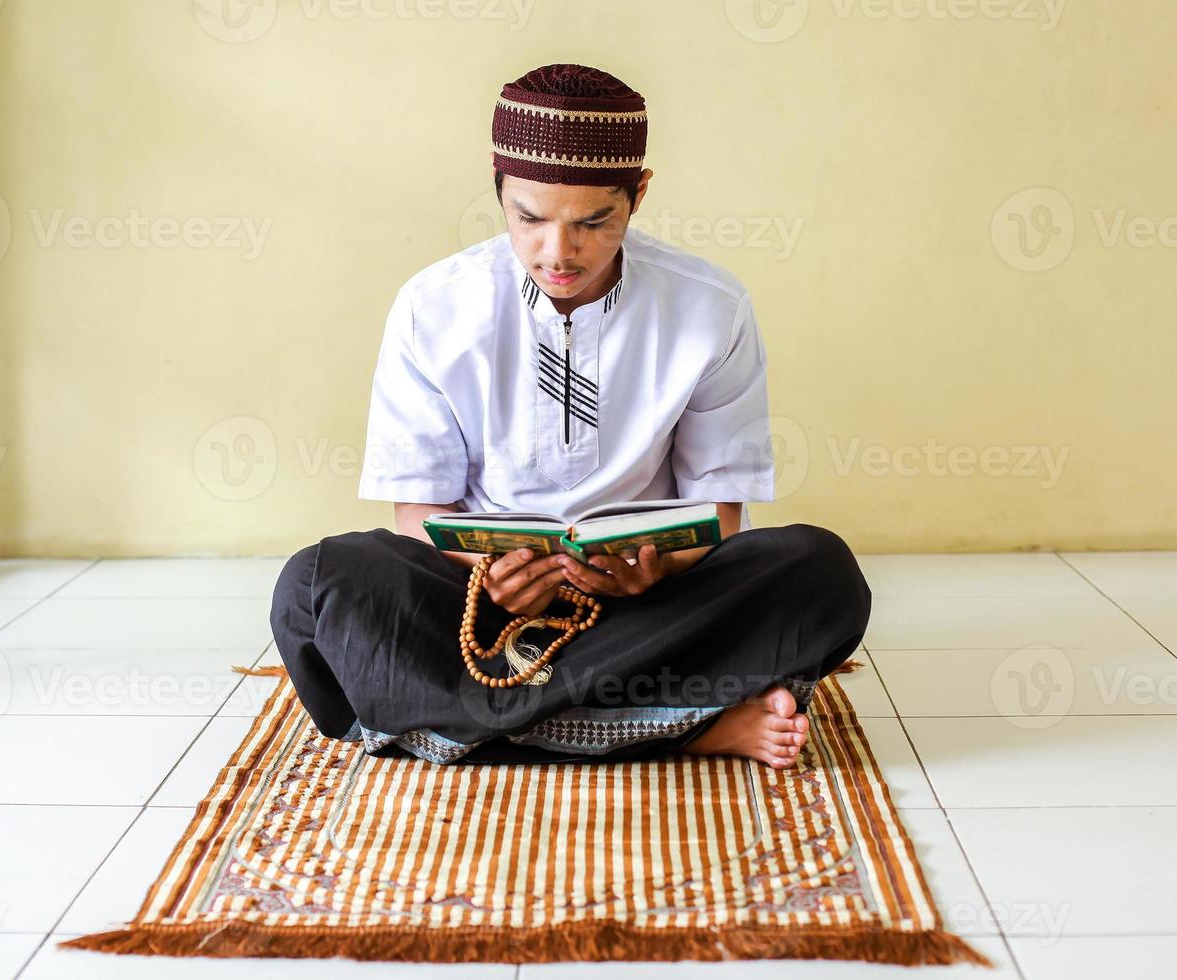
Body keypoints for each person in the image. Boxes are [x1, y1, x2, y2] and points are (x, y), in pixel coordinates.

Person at [271, 63, 871, 768]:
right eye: (529, 218)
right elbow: (419, 516)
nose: (559, 252)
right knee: (316, 586)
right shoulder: (433, 307)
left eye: (595, 221)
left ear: (637, 194)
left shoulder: (710, 309)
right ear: (499, 191)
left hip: (649, 610)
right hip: (475, 604)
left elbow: (721, 516)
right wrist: (488, 575)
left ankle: (470, 724)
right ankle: (685, 727)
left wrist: (655, 571)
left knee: (818, 571)